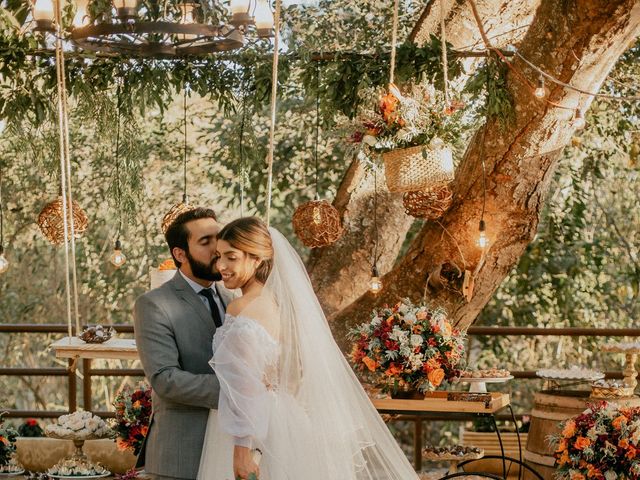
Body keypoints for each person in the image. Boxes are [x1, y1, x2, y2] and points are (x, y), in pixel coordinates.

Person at [198, 217, 419, 480]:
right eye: (219, 256)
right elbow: (291, 374)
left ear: (256, 259)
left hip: (250, 431)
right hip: (285, 420)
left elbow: (244, 386)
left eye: (231, 257)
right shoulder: (279, 306)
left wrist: (241, 452)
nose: (221, 265)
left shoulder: (240, 307)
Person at [134, 207, 235, 480]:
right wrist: (236, 392)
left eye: (219, 237)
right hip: (181, 455)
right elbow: (165, 379)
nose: (218, 248)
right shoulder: (154, 304)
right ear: (180, 254)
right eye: (206, 242)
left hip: (231, 449)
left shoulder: (234, 298)